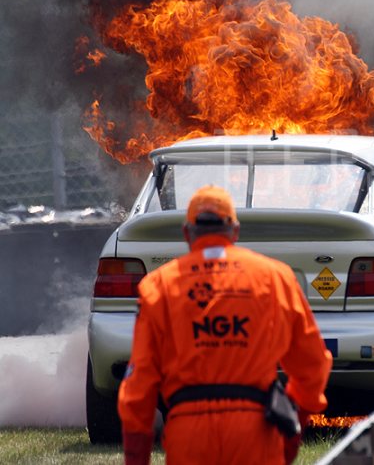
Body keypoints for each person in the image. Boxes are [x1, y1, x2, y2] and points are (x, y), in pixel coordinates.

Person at [118, 185, 332, 465]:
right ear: (235, 231)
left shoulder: (158, 286)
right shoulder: (274, 277)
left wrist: (137, 457)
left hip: (188, 436)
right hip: (255, 432)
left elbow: (139, 385)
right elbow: (313, 365)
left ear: (186, 233)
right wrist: (293, 426)